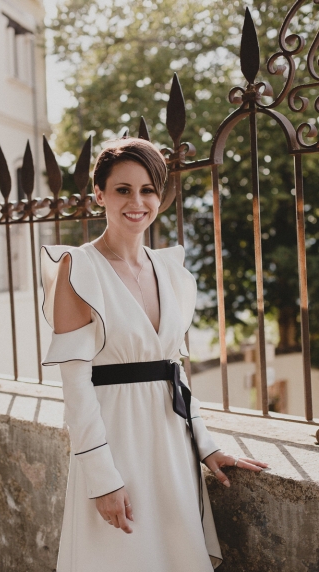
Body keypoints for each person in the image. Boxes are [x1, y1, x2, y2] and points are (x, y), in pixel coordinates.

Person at [40, 137, 267, 571]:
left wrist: (206, 445)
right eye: (122, 189)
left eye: (147, 190)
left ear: (160, 197)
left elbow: (174, 373)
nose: (137, 202)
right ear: (99, 194)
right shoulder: (77, 269)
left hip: (171, 447)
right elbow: (76, 389)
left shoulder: (172, 271)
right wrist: (102, 480)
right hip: (115, 446)